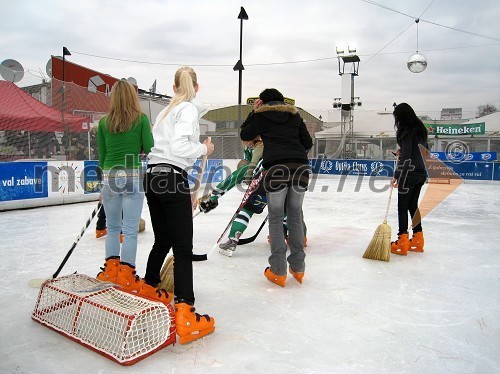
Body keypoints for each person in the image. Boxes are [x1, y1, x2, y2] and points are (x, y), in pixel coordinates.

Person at [144, 66, 215, 344]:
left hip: (154, 177)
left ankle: (150, 287)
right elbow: (179, 149)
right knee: (183, 249)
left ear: (174, 87)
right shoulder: (186, 110)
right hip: (170, 176)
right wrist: (204, 150)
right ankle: (186, 313)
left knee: (162, 239)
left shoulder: (164, 111)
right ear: (196, 87)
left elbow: (167, 153)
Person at [95, 80, 168, 305]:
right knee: (129, 230)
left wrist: (102, 186)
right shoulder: (141, 120)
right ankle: (126, 276)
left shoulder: (104, 123)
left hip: (109, 176)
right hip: (131, 176)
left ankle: (110, 270)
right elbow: (150, 147)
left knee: (113, 228)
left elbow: (102, 155)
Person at [240, 88, 313, 287]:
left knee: (276, 215)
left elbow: (245, 134)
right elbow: (307, 142)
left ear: (262, 102)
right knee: (295, 215)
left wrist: (254, 112)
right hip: (300, 167)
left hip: (277, 169)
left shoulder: (262, 115)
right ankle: (298, 268)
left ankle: (278, 270)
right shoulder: (294, 116)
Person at [390, 103, 428, 256]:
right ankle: (418, 238)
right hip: (420, 173)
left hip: (409, 174)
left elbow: (406, 157)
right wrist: (404, 151)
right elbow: (421, 152)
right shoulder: (421, 130)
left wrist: (397, 175)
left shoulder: (406, 130)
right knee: (413, 206)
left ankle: (402, 240)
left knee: (402, 207)